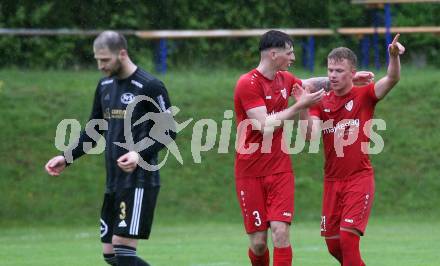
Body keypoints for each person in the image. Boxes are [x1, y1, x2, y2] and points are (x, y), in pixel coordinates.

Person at [233, 30, 374, 266]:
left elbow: (308, 84)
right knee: (258, 243)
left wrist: (349, 79)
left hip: (279, 170)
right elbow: (264, 125)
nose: (293, 58)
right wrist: (299, 106)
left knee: (280, 232)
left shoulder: (284, 79)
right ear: (273, 54)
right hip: (249, 172)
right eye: (289, 53)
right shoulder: (247, 83)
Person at [45, 30, 176, 266]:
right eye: (97, 59)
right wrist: (67, 157)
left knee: (123, 252)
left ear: (122, 54)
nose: (100, 65)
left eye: (104, 60)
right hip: (114, 182)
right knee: (111, 255)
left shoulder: (149, 86)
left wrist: (138, 153)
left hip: (139, 180)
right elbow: (94, 130)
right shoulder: (104, 85)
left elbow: (169, 131)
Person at [301, 34, 405, 265]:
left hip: (358, 179)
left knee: (348, 240)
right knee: (334, 245)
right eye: (330, 70)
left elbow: (391, 78)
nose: (333, 75)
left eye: (339, 70)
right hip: (331, 182)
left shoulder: (364, 95)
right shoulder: (320, 102)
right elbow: (310, 136)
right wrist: (302, 105)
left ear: (352, 72)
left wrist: (394, 57)